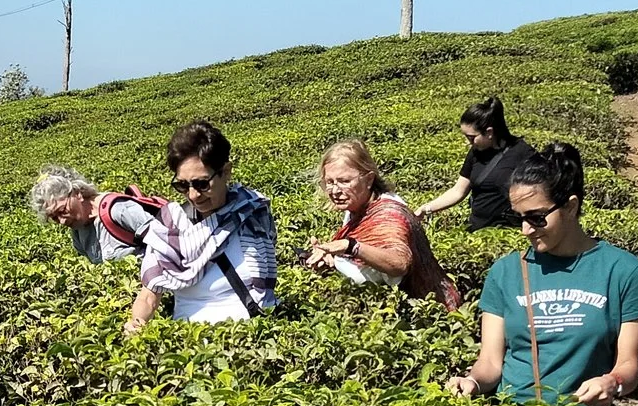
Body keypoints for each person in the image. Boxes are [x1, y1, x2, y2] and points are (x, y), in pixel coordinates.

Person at [446, 142, 638, 406]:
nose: (525, 230)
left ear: (570, 207)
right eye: (518, 218)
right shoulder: (505, 272)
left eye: (536, 218)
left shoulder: (624, 271)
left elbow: (628, 366)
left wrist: (610, 382)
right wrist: (472, 381)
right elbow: (489, 361)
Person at [126, 120, 278, 334]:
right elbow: (149, 295)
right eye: (182, 185)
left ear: (226, 172)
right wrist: (137, 324)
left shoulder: (253, 211)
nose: (193, 195)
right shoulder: (170, 224)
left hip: (255, 334)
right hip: (191, 339)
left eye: (202, 184)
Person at [299, 139, 462, 309]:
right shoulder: (356, 207)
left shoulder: (388, 214)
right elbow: (368, 260)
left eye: (344, 181)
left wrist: (349, 246)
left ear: (369, 179)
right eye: (330, 182)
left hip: (427, 312)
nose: (334, 190)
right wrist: (331, 259)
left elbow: (399, 264)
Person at [415, 97, 539, 232]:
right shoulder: (475, 152)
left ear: (489, 132)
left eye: (472, 137)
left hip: (508, 232)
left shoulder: (523, 153)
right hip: (476, 230)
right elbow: (458, 191)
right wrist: (426, 208)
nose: (469, 142)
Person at [31, 165, 167, 263]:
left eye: (62, 211)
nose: (62, 221)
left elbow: (168, 244)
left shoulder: (118, 210)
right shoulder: (78, 231)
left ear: (77, 193)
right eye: (54, 218)